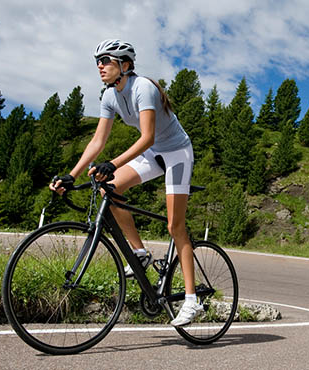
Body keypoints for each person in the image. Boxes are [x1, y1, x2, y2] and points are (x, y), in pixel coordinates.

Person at [50, 39, 202, 326]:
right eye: (98, 61)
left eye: (105, 60)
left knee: (174, 225)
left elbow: (147, 137)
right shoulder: (109, 96)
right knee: (111, 187)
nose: (100, 66)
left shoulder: (143, 88)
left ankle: (192, 301)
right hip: (153, 153)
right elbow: (98, 141)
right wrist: (72, 174)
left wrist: (113, 163)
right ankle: (140, 253)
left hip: (177, 153)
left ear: (125, 65)